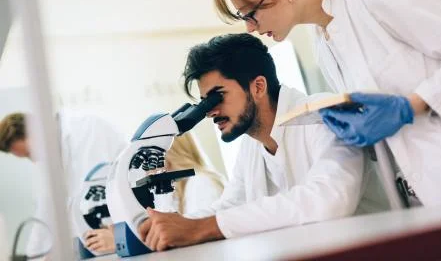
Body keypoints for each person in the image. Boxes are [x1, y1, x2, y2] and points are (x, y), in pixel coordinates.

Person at [213, 0, 441, 207]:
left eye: (251, 14)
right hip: (425, 195)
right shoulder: (323, 45)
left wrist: (410, 105)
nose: (249, 28)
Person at [136, 33, 379, 252]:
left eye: (216, 97)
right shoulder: (252, 143)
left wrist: (202, 228)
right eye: (204, 103)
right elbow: (231, 205)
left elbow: (330, 199)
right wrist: (166, 228)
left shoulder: (323, 115)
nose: (210, 112)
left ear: (258, 87)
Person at [0, 110, 128, 256]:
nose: (34, 160)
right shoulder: (49, 158)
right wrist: (33, 256)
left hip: (123, 236)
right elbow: (45, 213)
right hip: (94, 246)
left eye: (30, 153)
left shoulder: (90, 129)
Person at [83, 133, 225, 253]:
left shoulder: (202, 183)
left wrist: (123, 242)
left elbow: (195, 238)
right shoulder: (169, 192)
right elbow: (162, 233)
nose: (145, 168)